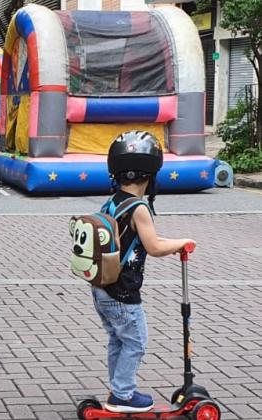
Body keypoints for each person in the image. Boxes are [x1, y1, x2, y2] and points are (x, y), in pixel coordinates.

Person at [93, 131, 195, 413]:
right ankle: (123, 395)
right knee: (136, 340)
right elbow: (154, 246)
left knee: (119, 339)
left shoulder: (113, 200)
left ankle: (117, 387)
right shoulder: (138, 207)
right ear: (150, 174)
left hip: (103, 286)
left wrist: (172, 244)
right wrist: (182, 244)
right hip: (123, 290)